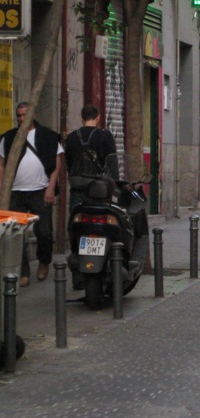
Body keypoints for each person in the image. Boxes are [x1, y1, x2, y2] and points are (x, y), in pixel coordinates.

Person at [0, 102, 64, 286]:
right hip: (15, 193)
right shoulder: (8, 137)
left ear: (33, 115)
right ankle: (23, 272)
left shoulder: (48, 136)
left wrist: (51, 187)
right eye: (18, 115)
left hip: (40, 191)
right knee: (15, 234)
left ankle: (44, 261)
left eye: (24, 115)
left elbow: (57, 163)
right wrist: (3, 190)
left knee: (44, 232)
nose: (21, 119)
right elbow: (2, 164)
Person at [65, 104, 117, 211]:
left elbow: (69, 161)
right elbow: (112, 162)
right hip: (98, 188)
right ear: (98, 117)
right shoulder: (105, 135)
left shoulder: (72, 137)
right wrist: (115, 184)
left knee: (76, 218)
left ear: (82, 119)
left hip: (77, 185)